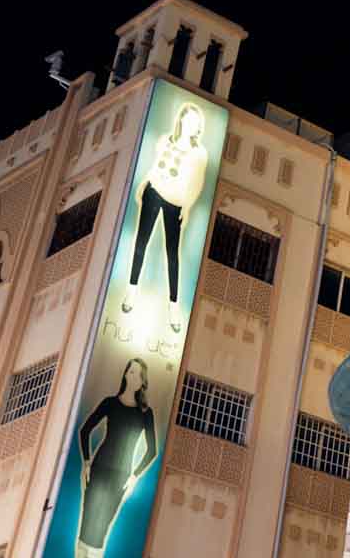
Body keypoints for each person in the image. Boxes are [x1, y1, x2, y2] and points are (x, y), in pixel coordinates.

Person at [122, 103, 208, 331]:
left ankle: (173, 306)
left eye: (194, 122)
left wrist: (187, 207)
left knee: (172, 255)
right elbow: (155, 166)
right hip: (154, 190)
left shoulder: (199, 153)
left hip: (176, 201)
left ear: (198, 127)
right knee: (141, 241)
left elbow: (197, 184)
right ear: (181, 120)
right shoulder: (165, 140)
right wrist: (144, 184)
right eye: (187, 120)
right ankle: (132, 290)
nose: (190, 125)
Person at [75, 357, 156, 556]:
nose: (133, 376)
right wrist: (86, 462)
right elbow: (85, 430)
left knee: (103, 524)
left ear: (142, 381)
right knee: (88, 520)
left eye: (138, 373)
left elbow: (152, 450)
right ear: (125, 374)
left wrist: (134, 476)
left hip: (122, 475)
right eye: (131, 371)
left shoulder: (145, 413)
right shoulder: (110, 403)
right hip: (100, 467)